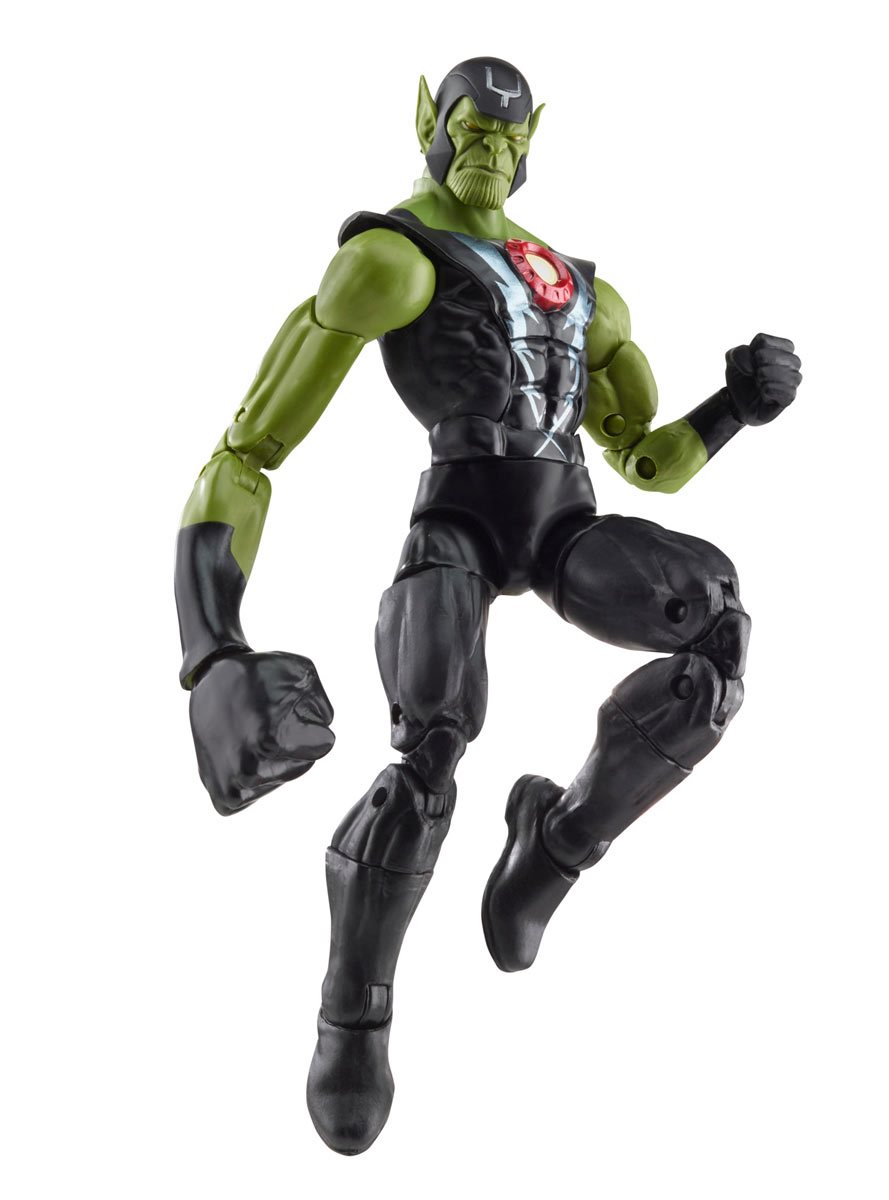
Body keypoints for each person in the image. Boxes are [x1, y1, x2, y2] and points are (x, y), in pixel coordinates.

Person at [174, 56, 802, 1154]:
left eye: (509, 139)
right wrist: (211, 646)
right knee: (429, 747)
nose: (491, 153)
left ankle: (549, 850)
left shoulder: (584, 293)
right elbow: (249, 450)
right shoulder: (389, 260)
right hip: (458, 521)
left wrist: (732, 408)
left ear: (534, 141)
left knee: (716, 635)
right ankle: (353, 1017)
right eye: (471, 130)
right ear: (429, 123)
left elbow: (646, 462)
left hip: (565, 524)